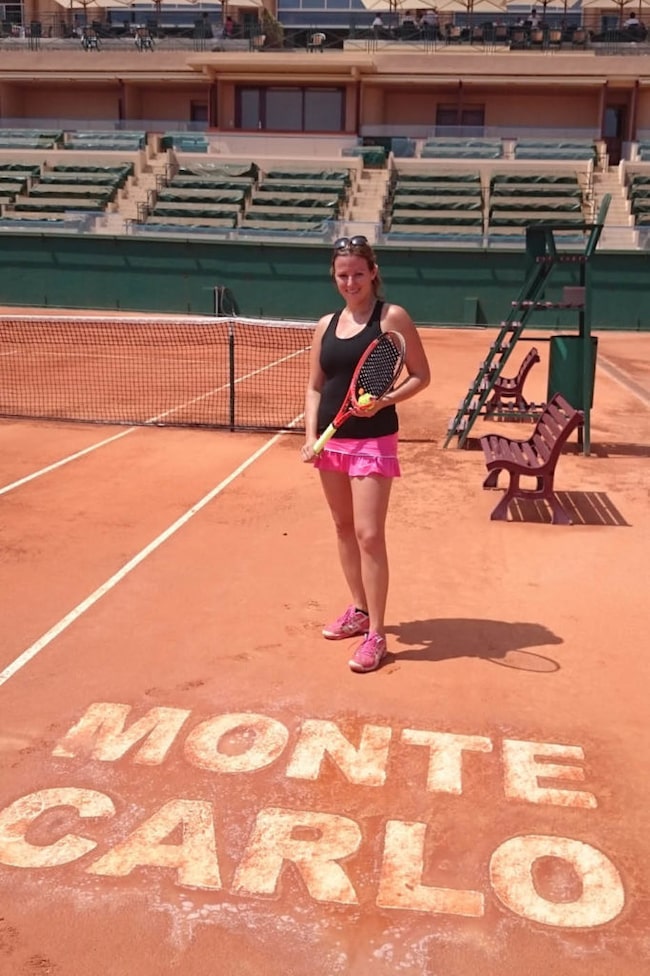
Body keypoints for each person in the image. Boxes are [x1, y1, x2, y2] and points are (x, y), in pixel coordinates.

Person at [301, 236, 430, 673]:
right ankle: (358, 610)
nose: (350, 282)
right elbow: (316, 386)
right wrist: (309, 434)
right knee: (342, 528)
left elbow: (421, 376)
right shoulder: (325, 324)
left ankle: (377, 633)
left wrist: (385, 399)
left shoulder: (391, 318)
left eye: (358, 273)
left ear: (373, 271)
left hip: (374, 439)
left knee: (369, 534)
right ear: (334, 277)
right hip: (331, 441)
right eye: (343, 275)